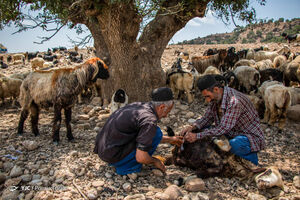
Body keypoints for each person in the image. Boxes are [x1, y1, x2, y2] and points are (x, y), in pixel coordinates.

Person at [94, 87, 183, 175]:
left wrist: (171, 139)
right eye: (167, 111)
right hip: (112, 156)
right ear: (161, 107)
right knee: (156, 132)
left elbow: (145, 135)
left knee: (156, 133)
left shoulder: (139, 106)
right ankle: (127, 168)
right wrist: (155, 161)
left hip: (103, 150)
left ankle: (120, 161)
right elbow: (141, 158)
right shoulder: (149, 121)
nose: (166, 116)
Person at [181, 75, 265, 165]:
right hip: (229, 133)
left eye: (208, 96)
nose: (208, 100)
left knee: (234, 145)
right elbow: (207, 118)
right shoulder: (216, 99)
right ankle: (226, 158)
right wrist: (192, 127)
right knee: (203, 131)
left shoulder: (235, 102)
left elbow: (223, 128)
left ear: (216, 89)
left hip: (246, 136)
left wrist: (197, 136)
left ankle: (250, 162)